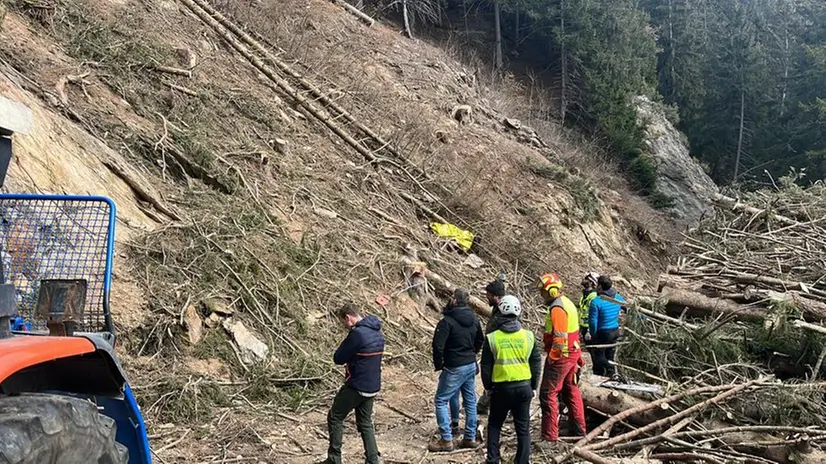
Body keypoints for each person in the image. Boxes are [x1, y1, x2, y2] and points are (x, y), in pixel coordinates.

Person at [480, 295, 541, 464]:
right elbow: (536, 363)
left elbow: (486, 366)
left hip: (500, 389)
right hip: (524, 388)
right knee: (523, 429)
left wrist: (487, 387)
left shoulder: (492, 338)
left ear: (500, 313)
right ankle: (522, 461)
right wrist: (534, 385)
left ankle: (493, 459)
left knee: (494, 425)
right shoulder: (528, 337)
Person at [323, 303, 385, 464]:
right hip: (373, 386)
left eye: (343, 322)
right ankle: (372, 459)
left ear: (348, 318)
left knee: (335, 416)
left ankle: (334, 458)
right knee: (365, 423)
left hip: (357, 386)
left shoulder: (357, 334)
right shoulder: (377, 332)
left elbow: (338, 358)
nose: (344, 326)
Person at [429, 288, 484, 452]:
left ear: (454, 300)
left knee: (440, 400)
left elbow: (437, 346)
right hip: (470, 364)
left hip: (454, 365)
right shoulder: (474, 319)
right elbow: (479, 339)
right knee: (470, 401)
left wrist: (440, 365)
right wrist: (471, 353)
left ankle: (446, 439)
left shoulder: (447, 321)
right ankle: (469, 437)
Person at [537, 273, 587, 444]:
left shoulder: (557, 308)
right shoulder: (567, 303)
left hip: (562, 355)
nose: (541, 294)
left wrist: (552, 357)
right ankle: (579, 430)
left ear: (551, 291)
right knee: (570, 390)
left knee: (548, 393)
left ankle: (550, 437)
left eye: (543, 291)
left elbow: (559, 337)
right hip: (572, 353)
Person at [477, 278, 507, 416]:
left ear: (496, 296)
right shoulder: (497, 309)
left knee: (498, 378)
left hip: (500, 349)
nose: (486, 297)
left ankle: (487, 404)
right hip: (493, 346)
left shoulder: (505, 311)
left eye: (488, 295)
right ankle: (484, 403)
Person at [587, 275, 625, 378]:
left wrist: (593, 335)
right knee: (609, 355)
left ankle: (603, 373)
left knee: (598, 356)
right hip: (615, 331)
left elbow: (593, 322)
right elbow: (627, 307)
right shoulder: (617, 297)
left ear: (599, 286)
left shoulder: (596, 301)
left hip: (603, 332)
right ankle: (610, 375)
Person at [578, 272, 600, 341]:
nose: (584, 280)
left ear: (591, 282)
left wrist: (589, 331)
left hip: (589, 327)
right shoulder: (584, 294)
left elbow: (595, 314)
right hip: (582, 326)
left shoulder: (594, 296)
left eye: (586, 279)